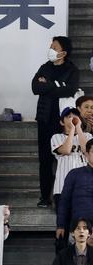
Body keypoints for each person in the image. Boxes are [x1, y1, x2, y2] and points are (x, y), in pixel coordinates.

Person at [32, 36, 80, 208]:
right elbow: (35, 88)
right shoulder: (45, 67)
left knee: (66, 158)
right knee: (45, 160)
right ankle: (45, 197)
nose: (50, 49)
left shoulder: (72, 70)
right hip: (45, 120)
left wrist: (49, 85)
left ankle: (65, 194)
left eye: (54, 47)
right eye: (50, 46)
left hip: (64, 122)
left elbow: (71, 89)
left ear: (64, 53)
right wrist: (58, 86)